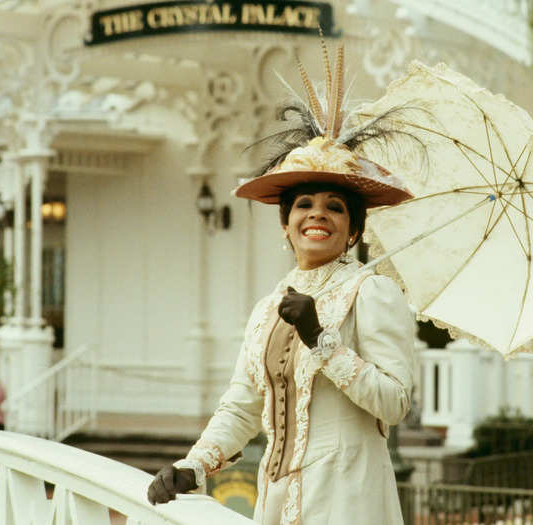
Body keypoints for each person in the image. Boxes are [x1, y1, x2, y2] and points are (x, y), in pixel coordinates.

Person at [147, 44, 417, 524]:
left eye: (335, 206)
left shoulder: (372, 291)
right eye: (304, 204)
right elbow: (243, 405)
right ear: (286, 223)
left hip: (347, 497)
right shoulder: (273, 305)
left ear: (353, 230)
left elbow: (394, 403)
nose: (318, 213)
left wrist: (322, 340)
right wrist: (194, 465)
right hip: (276, 497)